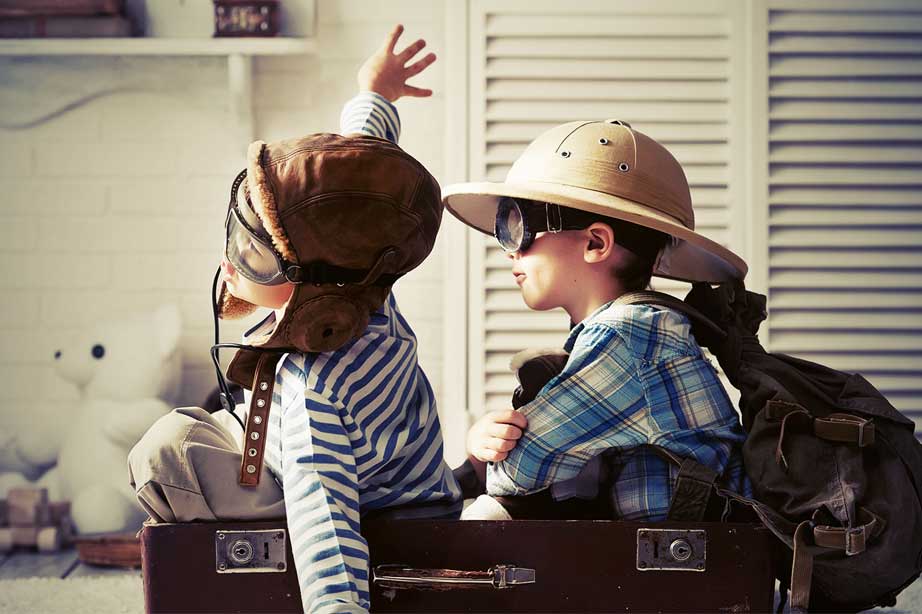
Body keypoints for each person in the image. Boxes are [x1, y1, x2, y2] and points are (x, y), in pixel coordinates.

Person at [128, 25, 461, 614]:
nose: (230, 263)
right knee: (203, 421)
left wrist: (335, 606)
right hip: (400, 480)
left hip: (378, 508)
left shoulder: (314, 388)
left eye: (253, 253)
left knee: (167, 447)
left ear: (317, 283)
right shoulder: (368, 285)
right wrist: (375, 93)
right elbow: (354, 180)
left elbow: (321, 513)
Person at [443, 119, 752, 521]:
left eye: (517, 227)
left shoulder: (628, 334)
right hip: (670, 568)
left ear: (595, 243)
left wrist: (478, 445)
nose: (509, 251)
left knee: (484, 518)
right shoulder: (637, 326)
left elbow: (516, 474)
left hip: (694, 573)